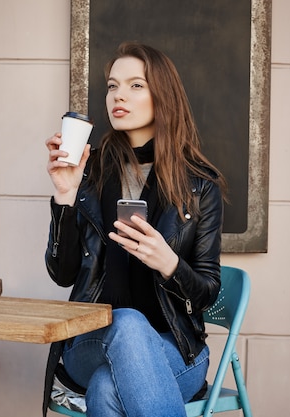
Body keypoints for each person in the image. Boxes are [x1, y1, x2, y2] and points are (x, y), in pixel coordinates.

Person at [43, 41, 227, 417]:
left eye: (135, 85)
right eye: (112, 86)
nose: (118, 96)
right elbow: (61, 275)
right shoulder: (90, 172)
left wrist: (169, 264)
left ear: (163, 97)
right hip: (90, 343)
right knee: (126, 322)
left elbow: (207, 291)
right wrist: (65, 195)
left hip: (174, 349)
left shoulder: (199, 185)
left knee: (108, 389)